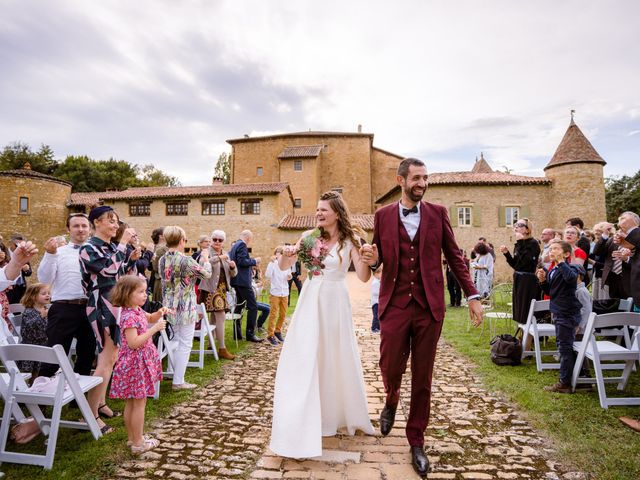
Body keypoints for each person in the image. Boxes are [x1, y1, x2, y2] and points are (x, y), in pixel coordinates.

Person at [369, 158, 482, 477]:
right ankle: (391, 398)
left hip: (429, 307)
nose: (422, 183)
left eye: (425, 177)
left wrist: (472, 295)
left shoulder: (438, 213)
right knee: (390, 363)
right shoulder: (382, 215)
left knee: (423, 376)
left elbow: (456, 257)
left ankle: (416, 440)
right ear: (401, 180)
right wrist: (372, 259)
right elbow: (376, 258)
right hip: (394, 304)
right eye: (416, 178)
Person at [270, 191, 376, 459]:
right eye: (317, 209)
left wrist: (368, 259)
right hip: (310, 299)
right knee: (305, 356)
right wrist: (286, 252)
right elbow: (285, 266)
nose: (318, 214)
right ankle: (304, 413)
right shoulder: (308, 237)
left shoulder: (351, 240)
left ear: (337, 213)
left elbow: (363, 277)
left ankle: (332, 413)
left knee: (333, 355)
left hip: (335, 302)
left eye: (323, 210)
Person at [80, 206, 140, 434]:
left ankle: (101, 403)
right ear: (97, 222)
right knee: (105, 360)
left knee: (112, 357)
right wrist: (124, 243)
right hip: (101, 305)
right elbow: (108, 270)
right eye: (111, 221)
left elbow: (121, 274)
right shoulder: (87, 248)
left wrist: (131, 258)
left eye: (117, 222)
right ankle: (90, 415)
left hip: (115, 303)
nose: (116, 226)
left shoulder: (111, 247)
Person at [108, 275, 168, 453]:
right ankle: (138, 443)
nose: (145, 295)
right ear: (127, 294)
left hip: (136, 363)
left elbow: (149, 317)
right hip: (135, 364)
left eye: (145, 292)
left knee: (132, 403)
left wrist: (159, 314)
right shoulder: (129, 316)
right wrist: (154, 330)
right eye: (140, 292)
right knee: (138, 403)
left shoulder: (136, 310)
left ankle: (132, 438)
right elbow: (133, 342)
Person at [38, 213, 97, 378]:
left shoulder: (97, 252)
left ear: (90, 229)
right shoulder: (58, 252)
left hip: (89, 307)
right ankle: (40, 396)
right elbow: (44, 279)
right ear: (68, 229)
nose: (80, 229)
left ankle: (78, 395)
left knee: (87, 353)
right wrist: (50, 254)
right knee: (54, 353)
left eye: (84, 226)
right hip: (63, 308)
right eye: (76, 226)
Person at [159, 226, 212, 390]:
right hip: (185, 305)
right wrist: (205, 259)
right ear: (182, 240)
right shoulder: (186, 260)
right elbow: (206, 274)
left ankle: (172, 371)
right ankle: (178, 381)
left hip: (168, 303)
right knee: (185, 343)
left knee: (174, 339)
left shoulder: (162, 259)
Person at [536, 240, 583, 393]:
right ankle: (577, 379)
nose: (551, 251)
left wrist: (562, 262)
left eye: (556, 248)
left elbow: (571, 280)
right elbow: (550, 291)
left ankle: (565, 383)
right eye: (550, 248)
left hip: (567, 312)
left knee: (564, 347)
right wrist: (542, 280)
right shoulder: (553, 269)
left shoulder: (573, 267)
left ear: (567, 254)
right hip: (557, 311)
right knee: (563, 345)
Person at [197, 229, 237, 360]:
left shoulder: (226, 254)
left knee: (215, 318)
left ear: (223, 242)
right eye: (215, 239)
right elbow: (203, 264)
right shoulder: (206, 252)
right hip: (210, 289)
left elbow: (233, 274)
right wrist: (220, 258)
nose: (217, 242)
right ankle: (222, 348)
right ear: (211, 239)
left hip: (222, 289)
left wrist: (232, 267)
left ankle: (211, 344)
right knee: (221, 317)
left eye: (220, 240)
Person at [500, 218, 541, 325]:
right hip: (519, 277)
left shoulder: (533, 243)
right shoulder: (519, 244)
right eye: (516, 224)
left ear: (527, 230)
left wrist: (520, 241)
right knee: (518, 306)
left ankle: (528, 336)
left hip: (528, 279)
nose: (516, 226)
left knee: (525, 307)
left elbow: (526, 262)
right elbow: (516, 265)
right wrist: (507, 254)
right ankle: (521, 333)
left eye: (520, 225)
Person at [229, 230, 263, 342]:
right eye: (250, 239)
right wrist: (254, 261)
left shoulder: (234, 246)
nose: (249, 242)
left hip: (236, 280)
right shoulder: (242, 245)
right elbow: (242, 261)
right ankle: (250, 333)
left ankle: (237, 333)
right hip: (243, 281)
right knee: (253, 306)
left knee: (239, 305)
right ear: (248, 238)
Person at [17, 283, 50, 377]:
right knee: (29, 374)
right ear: (33, 296)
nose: (48, 295)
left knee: (39, 372)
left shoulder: (46, 309)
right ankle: (27, 388)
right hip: (30, 346)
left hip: (43, 345)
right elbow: (29, 326)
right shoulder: (29, 311)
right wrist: (41, 316)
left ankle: (36, 387)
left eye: (48, 293)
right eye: (44, 293)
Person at [264, 246, 290, 345]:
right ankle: (270, 335)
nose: (279, 254)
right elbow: (268, 275)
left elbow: (289, 274)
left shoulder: (287, 263)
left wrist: (289, 276)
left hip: (285, 292)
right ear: (275, 253)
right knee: (273, 314)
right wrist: (271, 263)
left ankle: (277, 331)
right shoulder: (273, 263)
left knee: (283, 314)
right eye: (278, 252)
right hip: (275, 292)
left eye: (281, 252)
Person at [6, 234, 33, 304]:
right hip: (8, 287)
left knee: (20, 309)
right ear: (11, 243)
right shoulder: (4, 254)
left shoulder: (23, 254)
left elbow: (29, 273)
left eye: (21, 246)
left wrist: (26, 270)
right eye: (16, 245)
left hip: (21, 286)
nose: (19, 248)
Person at [150, 227, 168, 302]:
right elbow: (155, 267)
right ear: (161, 236)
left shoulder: (155, 248)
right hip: (161, 280)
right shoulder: (159, 249)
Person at [574, 264, 592, 334]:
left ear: (578, 275)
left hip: (581, 331)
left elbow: (586, 310)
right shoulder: (575, 289)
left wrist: (579, 326)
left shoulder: (582, 291)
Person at [370, 265, 382, 333]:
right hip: (376, 303)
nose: (382, 274)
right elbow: (375, 293)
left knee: (379, 315)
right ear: (375, 274)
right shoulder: (375, 283)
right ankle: (374, 327)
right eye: (380, 273)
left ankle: (379, 327)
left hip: (379, 302)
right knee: (376, 316)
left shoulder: (379, 281)